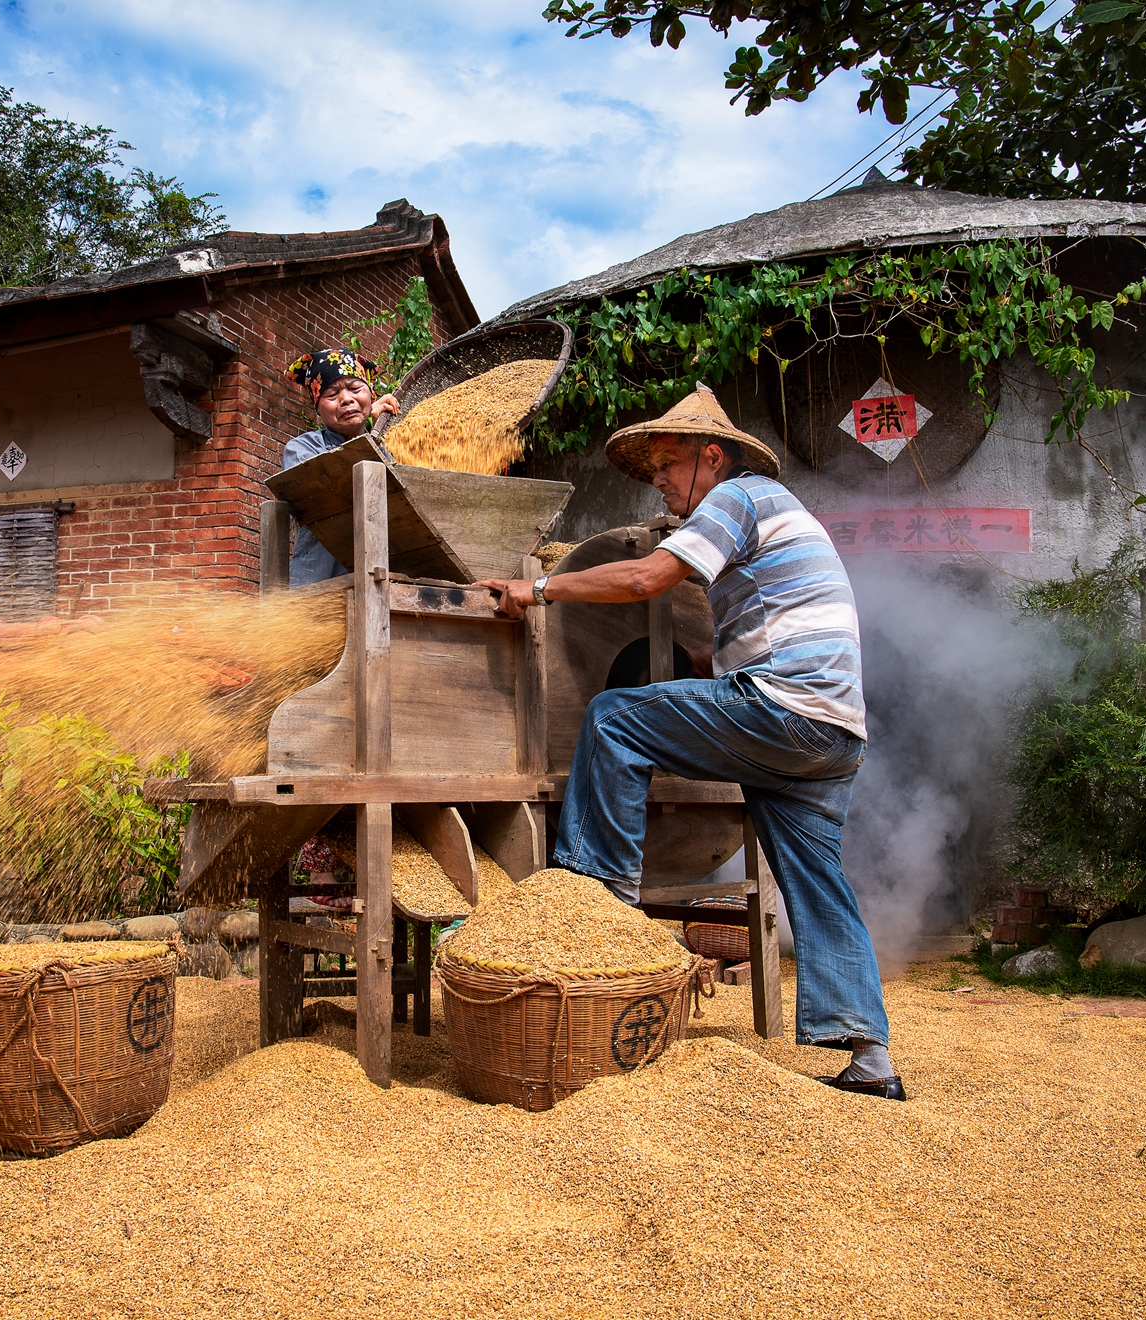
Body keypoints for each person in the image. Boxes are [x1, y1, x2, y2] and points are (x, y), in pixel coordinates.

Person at [475, 384, 904, 1101]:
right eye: (653, 472)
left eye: (669, 465)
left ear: (712, 456)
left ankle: (600, 904)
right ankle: (871, 1061)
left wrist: (539, 589)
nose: (660, 481)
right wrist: (699, 667)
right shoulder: (779, 514)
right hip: (833, 732)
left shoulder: (739, 496)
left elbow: (648, 578)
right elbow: (747, 637)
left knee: (613, 718)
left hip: (783, 708)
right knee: (818, 883)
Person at [281, 348, 400, 585]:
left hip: (378, 582)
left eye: (355, 389)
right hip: (316, 584)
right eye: (332, 394)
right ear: (318, 407)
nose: (346, 399)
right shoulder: (302, 449)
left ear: (371, 395)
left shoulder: (388, 451)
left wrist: (373, 433)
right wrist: (369, 432)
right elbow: (333, 491)